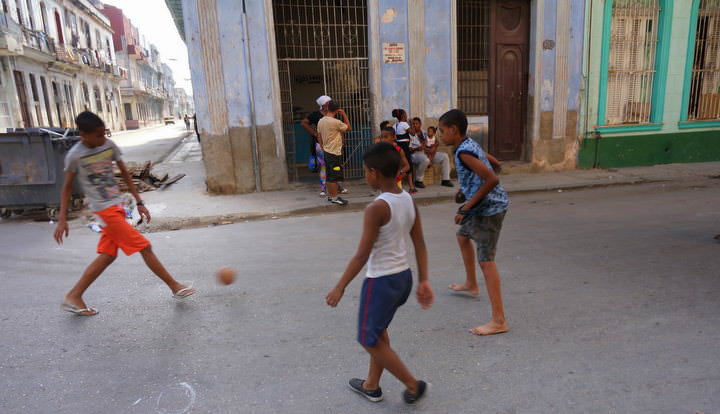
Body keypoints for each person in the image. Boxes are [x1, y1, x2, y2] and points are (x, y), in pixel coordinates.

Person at [54, 112, 196, 316]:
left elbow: (126, 175)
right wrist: (61, 220)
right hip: (104, 210)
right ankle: (175, 286)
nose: (103, 139)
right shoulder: (75, 155)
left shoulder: (109, 146)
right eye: (98, 135)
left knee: (108, 255)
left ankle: (74, 296)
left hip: (117, 206)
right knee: (144, 246)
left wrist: (139, 202)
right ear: (83, 135)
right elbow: (67, 187)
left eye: (104, 134)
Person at [326, 142, 434, 405]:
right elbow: (419, 242)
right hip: (403, 279)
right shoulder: (407, 199)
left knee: (367, 338)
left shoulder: (377, 208)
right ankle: (371, 385)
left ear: (374, 172)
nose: (365, 175)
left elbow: (362, 255)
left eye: (365, 171)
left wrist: (340, 286)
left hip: (382, 281)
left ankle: (412, 384)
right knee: (378, 331)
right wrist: (423, 280)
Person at [439, 109, 509, 336]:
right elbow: (494, 164)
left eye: (441, 131)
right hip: (484, 205)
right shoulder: (469, 144)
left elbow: (492, 178)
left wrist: (467, 207)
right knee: (462, 237)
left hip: (490, 210)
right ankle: (471, 283)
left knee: (486, 260)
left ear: (453, 130)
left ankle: (499, 320)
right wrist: (467, 189)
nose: (440, 136)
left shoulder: (463, 153)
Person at [302, 95, 347, 196]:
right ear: (324, 105)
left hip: (334, 145)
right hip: (321, 145)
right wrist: (314, 133)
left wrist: (342, 142)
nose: (331, 103)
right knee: (323, 166)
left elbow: (339, 129)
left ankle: (339, 186)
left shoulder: (333, 114)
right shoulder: (316, 115)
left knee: (336, 166)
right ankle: (323, 188)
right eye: (329, 102)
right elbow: (304, 123)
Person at [317, 100, 351, 205]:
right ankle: (335, 197)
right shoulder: (335, 122)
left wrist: (322, 146)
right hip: (334, 153)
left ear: (327, 108)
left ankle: (332, 196)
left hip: (327, 151)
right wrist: (344, 114)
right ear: (337, 110)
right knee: (334, 176)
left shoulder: (321, 121)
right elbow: (348, 127)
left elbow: (319, 135)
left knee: (330, 175)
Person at [412, 123, 454, 188]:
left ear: (420, 124)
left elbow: (436, 142)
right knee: (425, 160)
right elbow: (409, 149)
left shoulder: (425, 132)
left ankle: (445, 180)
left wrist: (434, 148)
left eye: (416, 123)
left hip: (429, 152)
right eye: (413, 124)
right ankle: (418, 180)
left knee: (444, 156)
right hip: (417, 154)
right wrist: (417, 148)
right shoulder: (410, 135)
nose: (414, 125)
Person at [391, 109, 417, 193]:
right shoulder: (404, 124)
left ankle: (404, 185)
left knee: (402, 165)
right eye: (406, 114)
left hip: (398, 146)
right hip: (405, 147)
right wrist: (412, 124)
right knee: (408, 166)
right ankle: (410, 186)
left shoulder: (395, 125)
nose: (407, 116)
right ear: (403, 116)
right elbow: (413, 133)